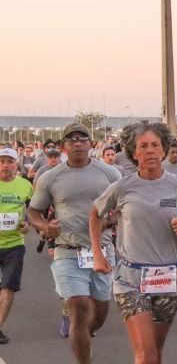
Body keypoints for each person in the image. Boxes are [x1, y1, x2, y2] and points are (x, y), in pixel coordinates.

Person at [90, 122, 177, 364]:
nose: (149, 150)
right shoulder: (122, 187)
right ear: (134, 153)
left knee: (156, 353)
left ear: (163, 150)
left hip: (168, 277)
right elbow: (95, 214)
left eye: (154, 145)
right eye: (142, 146)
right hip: (131, 278)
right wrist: (98, 253)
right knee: (145, 355)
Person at [27, 123, 121, 364]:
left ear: (91, 144)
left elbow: (123, 207)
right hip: (67, 251)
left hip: (101, 250)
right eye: (71, 139)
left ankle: (83, 336)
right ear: (63, 147)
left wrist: (112, 218)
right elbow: (33, 212)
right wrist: (45, 227)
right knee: (77, 308)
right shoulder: (51, 177)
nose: (78, 143)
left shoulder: (110, 174)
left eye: (82, 138)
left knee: (98, 315)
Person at [0, 148, 32, 344]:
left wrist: (28, 222)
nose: (5, 165)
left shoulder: (25, 185)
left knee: (9, 287)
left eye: (9, 161)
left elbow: (34, 209)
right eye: (2, 161)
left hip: (15, 244)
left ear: (16, 164)